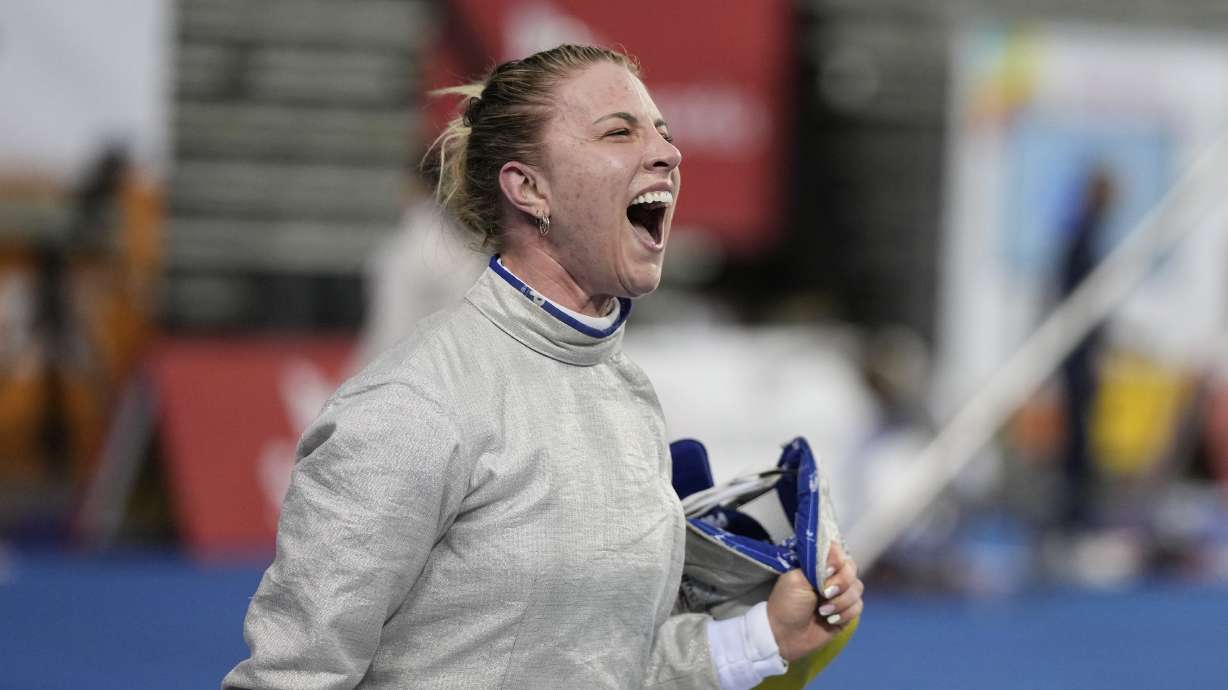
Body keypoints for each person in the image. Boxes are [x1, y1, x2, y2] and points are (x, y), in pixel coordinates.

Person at [223, 44, 863, 690]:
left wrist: (765, 638)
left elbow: (606, 666)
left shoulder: (626, 396)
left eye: (665, 134)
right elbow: (290, 680)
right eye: (620, 131)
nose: (667, 153)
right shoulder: (413, 406)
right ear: (528, 188)